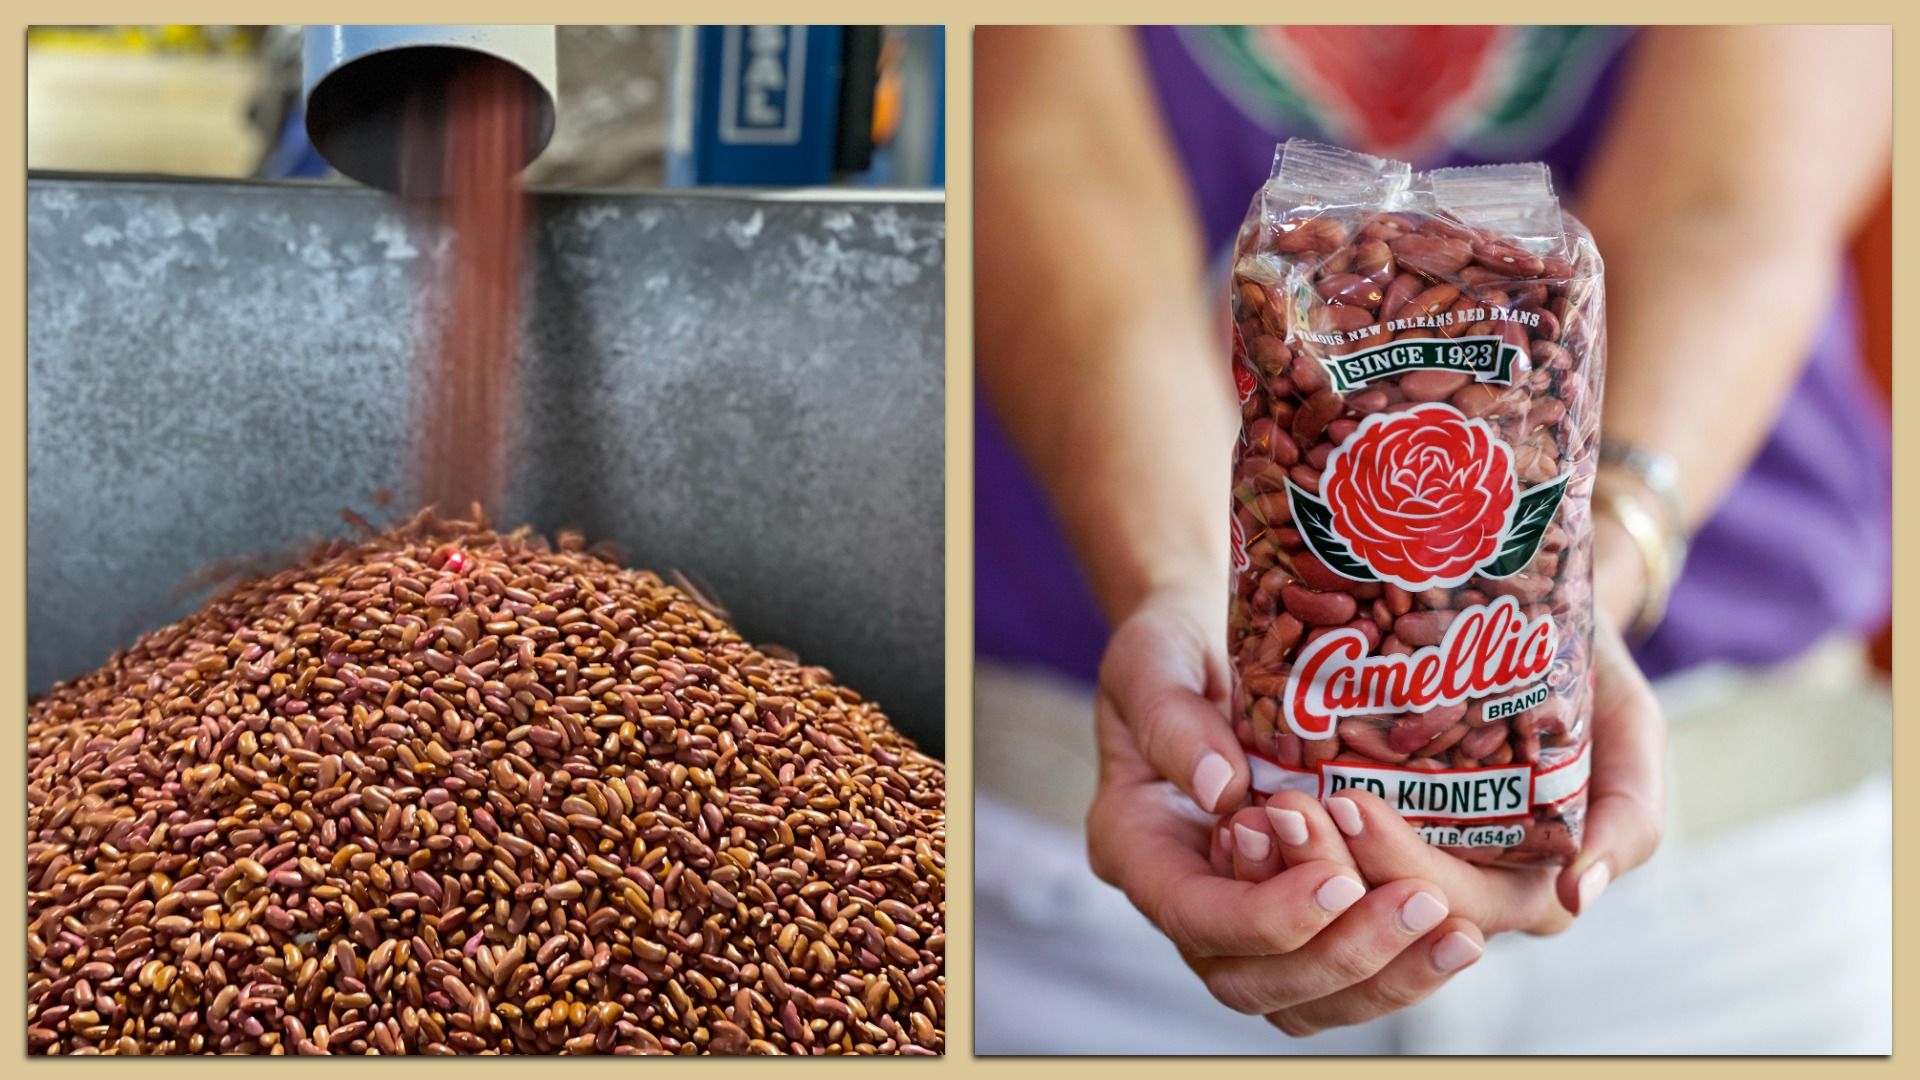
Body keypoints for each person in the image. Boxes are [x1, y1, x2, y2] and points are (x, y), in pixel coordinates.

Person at [975, 25, 1891, 1051]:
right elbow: (1040, 151)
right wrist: (1188, 579)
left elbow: (1730, 198)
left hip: (1743, 857)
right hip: (1105, 858)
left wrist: (1583, 585)